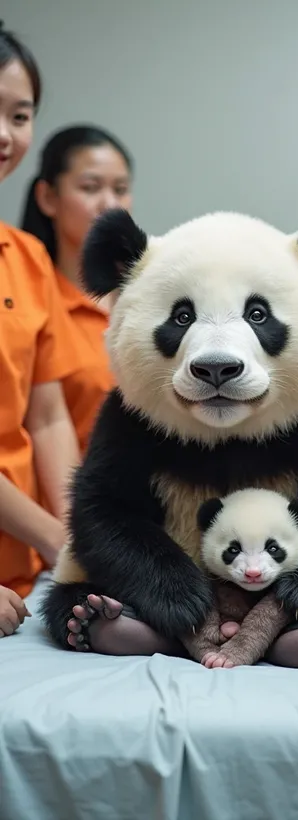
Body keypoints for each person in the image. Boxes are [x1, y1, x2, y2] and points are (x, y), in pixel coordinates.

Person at [0, 23, 85, 636]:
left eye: (20, 115)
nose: (5, 135)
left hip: (23, 569)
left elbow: (48, 417)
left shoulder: (27, 258)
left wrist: (82, 538)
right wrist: (60, 539)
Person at [20, 125, 133, 453]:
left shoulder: (146, 295)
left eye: (121, 189)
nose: (109, 204)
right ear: (48, 197)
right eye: (90, 187)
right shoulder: (27, 299)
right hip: (65, 494)